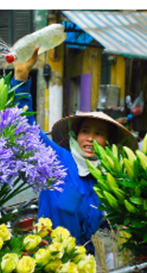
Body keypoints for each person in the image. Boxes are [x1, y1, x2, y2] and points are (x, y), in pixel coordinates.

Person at [11, 50, 139, 246]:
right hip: (46, 258)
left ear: (108, 141)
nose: (90, 139)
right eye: (85, 131)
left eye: (99, 133)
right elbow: (26, 128)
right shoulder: (57, 159)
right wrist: (21, 77)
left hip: (85, 264)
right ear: (76, 135)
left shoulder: (109, 178)